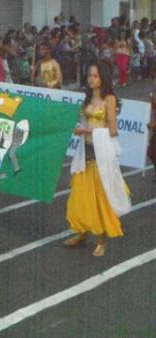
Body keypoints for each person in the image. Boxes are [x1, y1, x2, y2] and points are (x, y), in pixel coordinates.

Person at [66, 62, 131, 257]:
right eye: (89, 76)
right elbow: (82, 122)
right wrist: (77, 128)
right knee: (80, 196)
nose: (91, 79)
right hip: (84, 152)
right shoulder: (86, 100)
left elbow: (112, 130)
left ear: (103, 77)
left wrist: (86, 130)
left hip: (100, 153)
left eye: (95, 75)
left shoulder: (109, 99)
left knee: (100, 197)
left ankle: (101, 240)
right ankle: (82, 232)